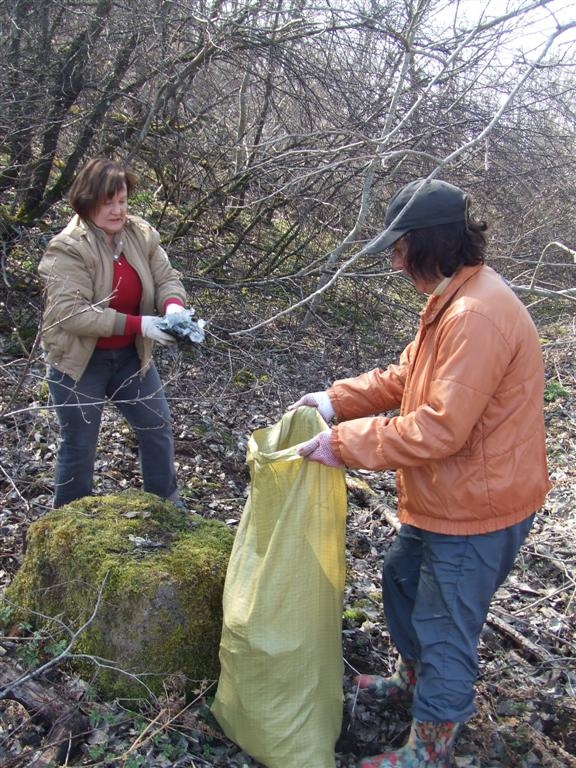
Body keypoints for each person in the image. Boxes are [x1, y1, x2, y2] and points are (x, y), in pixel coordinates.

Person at [289, 178, 550, 768]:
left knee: (444, 625)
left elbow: (439, 427)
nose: (395, 259)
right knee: (402, 579)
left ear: (430, 242)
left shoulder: (478, 315)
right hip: (445, 496)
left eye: (400, 246)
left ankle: (430, 749)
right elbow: (408, 378)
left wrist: (343, 444)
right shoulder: (453, 299)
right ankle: (412, 686)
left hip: (479, 509)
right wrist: (333, 402)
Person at [38, 157, 190, 509]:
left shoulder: (140, 234)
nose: (117, 210)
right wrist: (141, 324)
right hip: (79, 363)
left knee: (156, 426)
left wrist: (173, 307)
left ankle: (166, 508)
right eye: (108, 202)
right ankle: (68, 521)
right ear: (87, 200)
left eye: (122, 201)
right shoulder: (67, 248)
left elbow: (166, 277)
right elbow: (69, 313)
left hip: (129, 359)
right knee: (80, 442)